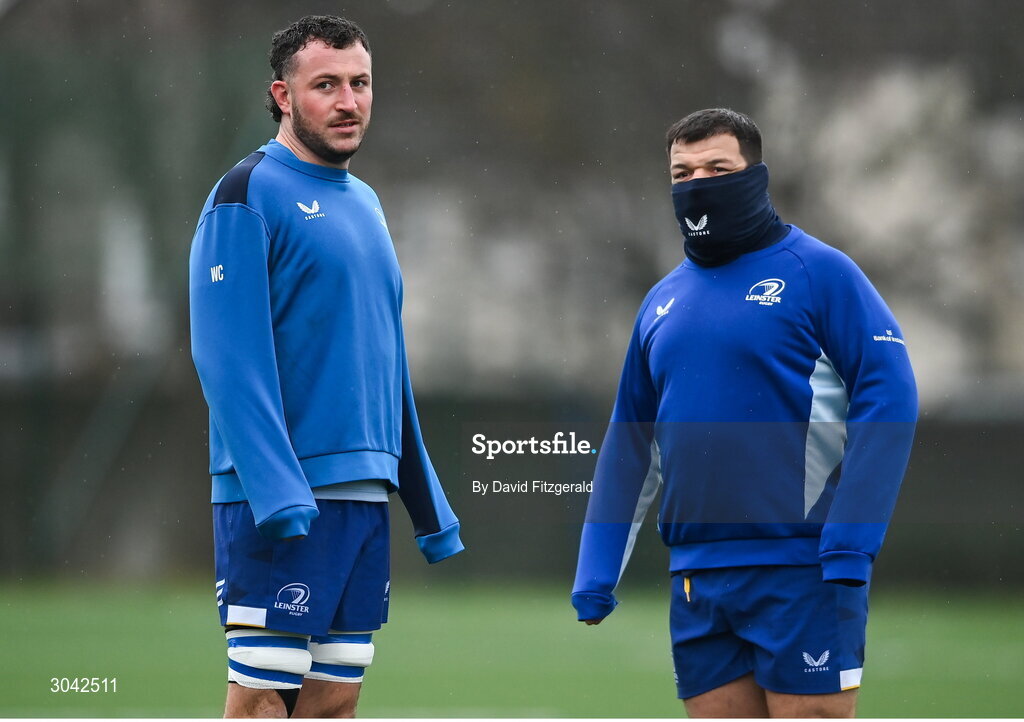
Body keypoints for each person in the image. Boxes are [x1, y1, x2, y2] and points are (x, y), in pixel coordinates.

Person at [571, 108, 917, 718]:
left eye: (717, 168)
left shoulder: (821, 273)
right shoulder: (661, 301)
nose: (698, 184)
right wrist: (596, 572)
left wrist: (850, 542)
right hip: (697, 579)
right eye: (683, 173)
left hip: (804, 571)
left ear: (755, 174)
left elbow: (890, 399)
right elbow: (630, 442)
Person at [188, 15, 464, 718]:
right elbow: (226, 360)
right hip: (281, 501)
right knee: (262, 697)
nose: (349, 101)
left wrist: (425, 500)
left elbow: (386, 361)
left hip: (362, 501)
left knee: (335, 700)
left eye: (360, 83)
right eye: (327, 85)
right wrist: (278, 493)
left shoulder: (366, 202)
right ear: (282, 95)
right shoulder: (246, 193)